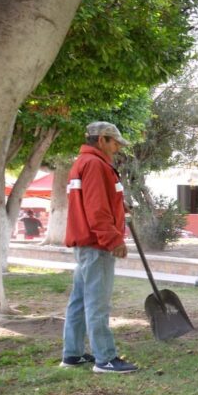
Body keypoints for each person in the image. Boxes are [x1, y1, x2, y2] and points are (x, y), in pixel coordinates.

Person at [60, 121, 139, 374]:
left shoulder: (83, 162)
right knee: (97, 302)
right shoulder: (95, 164)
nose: (117, 147)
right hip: (96, 244)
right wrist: (113, 240)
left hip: (86, 242)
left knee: (80, 301)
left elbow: (93, 201)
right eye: (115, 142)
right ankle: (105, 358)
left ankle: (71, 354)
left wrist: (119, 205)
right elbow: (96, 209)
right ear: (102, 139)